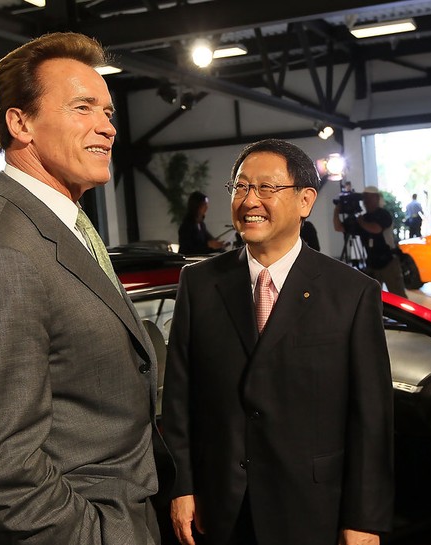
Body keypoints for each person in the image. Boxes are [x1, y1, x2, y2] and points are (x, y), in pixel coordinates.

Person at [0, 32, 170, 545]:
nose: (107, 128)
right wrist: (104, 537)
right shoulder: (2, 254)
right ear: (20, 123)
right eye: (83, 108)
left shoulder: (62, 225)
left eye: (107, 112)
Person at [161, 139, 393, 545]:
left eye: (267, 188)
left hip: (312, 504)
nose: (250, 200)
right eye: (240, 187)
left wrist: (364, 517)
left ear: (305, 200)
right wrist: (183, 485)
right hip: (220, 504)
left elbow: (371, 417)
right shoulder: (199, 284)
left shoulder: (352, 293)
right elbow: (180, 398)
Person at [333, 185, 406, 297]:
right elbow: (339, 227)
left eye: (369, 197)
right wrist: (337, 210)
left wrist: (361, 221)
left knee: (398, 296)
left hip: (389, 261)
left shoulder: (383, 214)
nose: (366, 201)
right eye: (365, 198)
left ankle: (404, 315)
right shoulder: (363, 217)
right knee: (372, 298)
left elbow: (376, 229)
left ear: (377, 198)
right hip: (372, 263)